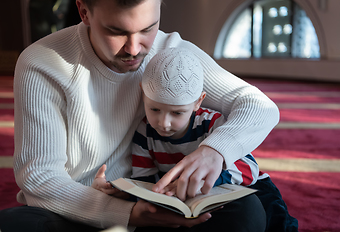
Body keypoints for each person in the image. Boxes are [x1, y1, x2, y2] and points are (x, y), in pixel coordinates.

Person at [0, 0, 297, 231]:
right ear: (84, 12)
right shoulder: (42, 63)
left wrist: (214, 151)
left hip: (161, 202)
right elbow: (39, 177)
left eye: (147, 29)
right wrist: (126, 213)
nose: (134, 49)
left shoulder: (171, 54)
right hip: (84, 207)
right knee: (16, 225)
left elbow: (258, 106)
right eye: (116, 31)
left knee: (245, 213)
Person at [92, 47, 260, 198]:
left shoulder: (212, 124)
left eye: (177, 113)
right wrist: (118, 191)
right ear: (143, 93)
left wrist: (209, 178)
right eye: (155, 110)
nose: (164, 123)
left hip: (245, 190)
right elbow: (145, 182)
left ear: (198, 102)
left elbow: (250, 169)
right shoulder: (145, 132)